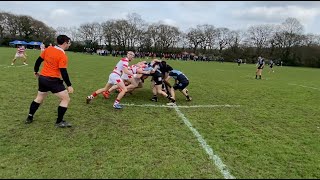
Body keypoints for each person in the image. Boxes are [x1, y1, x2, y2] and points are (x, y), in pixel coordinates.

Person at [25, 35, 74, 128]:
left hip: (43, 79)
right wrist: (69, 85)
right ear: (65, 43)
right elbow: (63, 72)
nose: (69, 45)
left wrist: (35, 71)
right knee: (66, 99)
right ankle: (59, 122)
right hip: (53, 80)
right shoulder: (62, 55)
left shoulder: (48, 49)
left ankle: (29, 117)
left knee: (39, 98)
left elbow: (38, 60)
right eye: (69, 43)